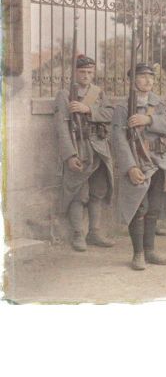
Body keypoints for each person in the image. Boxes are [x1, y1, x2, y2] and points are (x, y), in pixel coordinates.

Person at [112, 63, 166, 270]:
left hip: (159, 161)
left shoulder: (160, 105)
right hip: (138, 162)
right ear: (132, 81)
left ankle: (150, 251)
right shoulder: (123, 107)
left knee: (154, 208)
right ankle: (138, 254)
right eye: (142, 77)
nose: (148, 81)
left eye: (151, 77)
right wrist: (130, 167)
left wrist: (149, 119)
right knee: (139, 207)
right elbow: (118, 139)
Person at [54, 54, 115, 252]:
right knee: (78, 192)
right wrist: (70, 155)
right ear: (75, 72)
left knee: (98, 190)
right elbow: (61, 127)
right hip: (78, 146)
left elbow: (110, 114)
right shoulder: (65, 94)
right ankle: (78, 234)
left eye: (90, 72)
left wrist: (87, 108)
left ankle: (94, 232)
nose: (86, 76)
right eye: (82, 72)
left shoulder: (98, 93)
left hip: (99, 147)